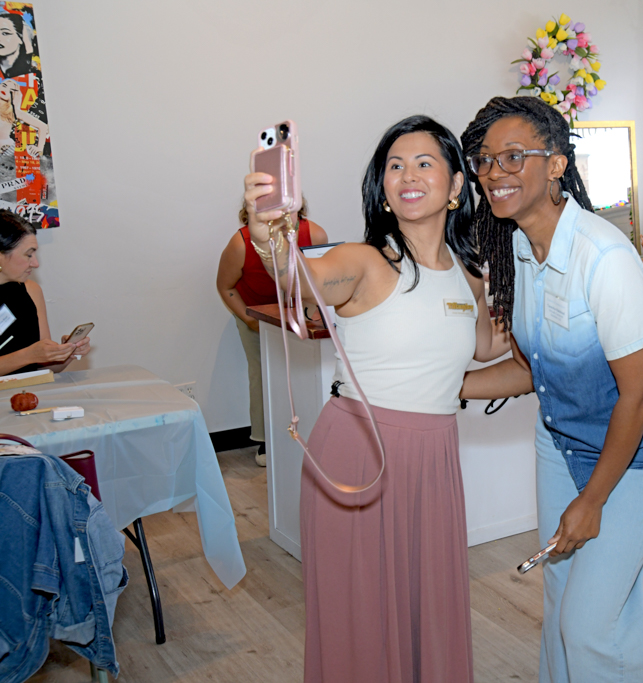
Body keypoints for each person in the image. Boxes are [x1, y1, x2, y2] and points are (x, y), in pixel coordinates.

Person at [243, 115, 509, 683]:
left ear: (457, 186)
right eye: (394, 165)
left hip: (433, 461)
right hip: (359, 455)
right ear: (382, 189)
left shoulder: (469, 277)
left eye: (423, 163)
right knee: (360, 618)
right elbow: (296, 281)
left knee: (426, 608)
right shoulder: (365, 262)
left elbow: (485, 349)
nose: (407, 175)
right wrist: (268, 232)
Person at [459, 96, 643, 683]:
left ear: (556, 165)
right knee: (568, 603)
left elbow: (639, 396)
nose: (494, 173)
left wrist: (591, 502)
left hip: (633, 457)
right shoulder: (515, 248)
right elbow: (536, 370)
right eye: (486, 161)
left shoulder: (604, 257)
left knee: (589, 626)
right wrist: (448, 388)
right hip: (560, 447)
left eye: (513, 157)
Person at [216, 198, 327, 465]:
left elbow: (318, 280)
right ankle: (266, 441)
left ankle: (309, 433)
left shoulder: (315, 234)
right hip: (254, 316)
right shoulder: (240, 243)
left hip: (298, 315)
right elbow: (225, 286)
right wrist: (250, 320)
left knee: (303, 373)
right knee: (263, 377)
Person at [0, 209, 90, 376]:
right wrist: (28, 355)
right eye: (28, 255)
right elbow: (31, 357)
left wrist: (67, 353)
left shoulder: (31, 291)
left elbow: (44, 368)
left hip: (26, 396)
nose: (35, 263)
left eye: (35, 254)